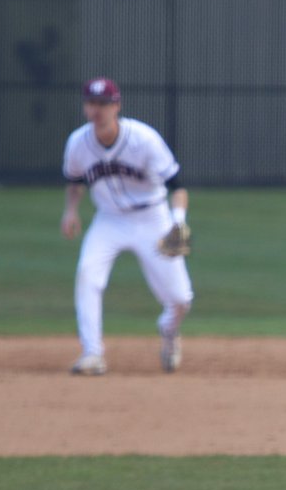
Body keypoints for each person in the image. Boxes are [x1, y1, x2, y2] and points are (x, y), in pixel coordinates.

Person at [61, 77, 194, 375]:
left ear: (116, 106)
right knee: (87, 274)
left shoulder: (143, 139)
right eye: (92, 103)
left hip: (153, 218)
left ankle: (169, 330)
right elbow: (74, 182)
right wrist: (70, 211)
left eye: (104, 104)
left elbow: (178, 186)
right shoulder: (77, 144)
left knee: (181, 299)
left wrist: (178, 222)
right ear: (85, 107)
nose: (97, 110)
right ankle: (92, 353)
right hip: (109, 220)